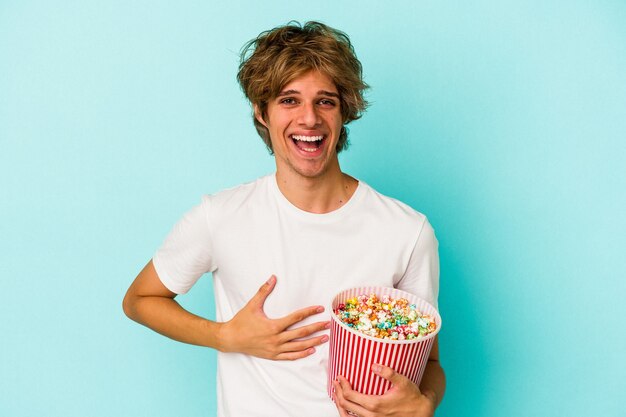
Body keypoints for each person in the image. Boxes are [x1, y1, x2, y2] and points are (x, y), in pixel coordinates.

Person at [123, 21, 445, 417]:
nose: (308, 119)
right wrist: (225, 336)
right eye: (289, 100)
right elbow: (139, 300)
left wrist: (424, 403)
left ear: (344, 111)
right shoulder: (220, 217)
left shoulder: (407, 232)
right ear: (262, 112)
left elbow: (428, 364)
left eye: (325, 101)